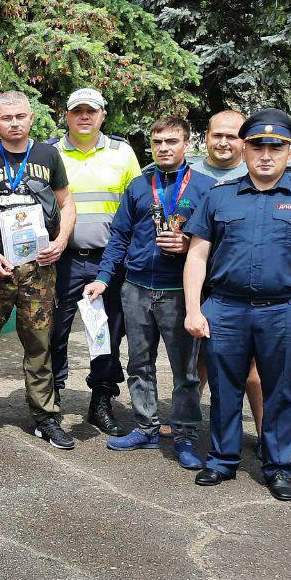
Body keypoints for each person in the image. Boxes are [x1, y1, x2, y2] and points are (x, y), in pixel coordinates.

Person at [184, 109, 291, 501]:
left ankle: (278, 467)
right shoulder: (219, 197)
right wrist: (193, 309)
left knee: (281, 392)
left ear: (288, 152)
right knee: (224, 389)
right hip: (226, 308)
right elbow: (197, 256)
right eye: (257, 147)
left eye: (276, 147)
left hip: (285, 311)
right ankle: (222, 460)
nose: (266, 155)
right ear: (245, 150)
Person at [84, 116, 215, 470]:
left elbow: (218, 242)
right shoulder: (139, 186)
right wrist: (103, 278)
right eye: (157, 142)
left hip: (179, 292)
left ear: (187, 144)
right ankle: (146, 427)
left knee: (185, 371)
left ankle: (185, 434)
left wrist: (187, 245)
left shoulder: (206, 188)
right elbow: (119, 236)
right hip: (136, 289)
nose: (163, 148)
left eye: (171, 141)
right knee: (139, 364)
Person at [0, 91, 77, 448]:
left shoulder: (47, 155)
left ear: (31, 118)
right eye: (6, 118)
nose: (14, 123)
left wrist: (62, 240)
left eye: (20, 116)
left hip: (38, 268)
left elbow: (66, 202)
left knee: (39, 344)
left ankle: (45, 417)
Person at [48, 87, 141, 435]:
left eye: (91, 110)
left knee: (107, 335)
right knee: (53, 332)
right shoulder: (51, 152)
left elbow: (137, 208)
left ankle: (101, 401)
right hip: (62, 260)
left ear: (103, 115)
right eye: (77, 111)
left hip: (110, 262)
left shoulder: (122, 153)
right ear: (67, 116)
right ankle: (51, 399)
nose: (84, 116)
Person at [187, 110, 264, 437]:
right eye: (216, 135)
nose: (223, 142)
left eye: (231, 136)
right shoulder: (187, 174)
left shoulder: (257, 174)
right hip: (198, 280)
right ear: (206, 136)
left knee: (253, 368)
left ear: (244, 141)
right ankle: (186, 420)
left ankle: (264, 433)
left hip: (242, 284)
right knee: (199, 358)